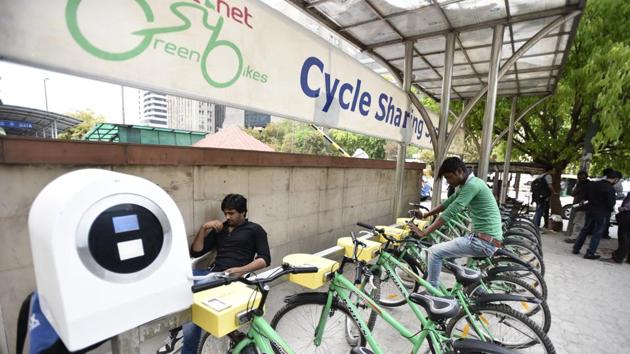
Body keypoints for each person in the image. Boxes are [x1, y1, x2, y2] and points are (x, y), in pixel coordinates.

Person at [158, 194, 271, 354]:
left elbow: (265, 259)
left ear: (243, 212)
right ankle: (177, 331)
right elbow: (196, 252)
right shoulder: (221, 229)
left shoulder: (255, 230)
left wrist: (240, 270)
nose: (227, 217)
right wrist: (204, 228)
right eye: (225, 213)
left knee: (193, 304)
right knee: (174, 280)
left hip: (231, 279)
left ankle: (186, 345)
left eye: (231, 213)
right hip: (211, 274)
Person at [408, 157, 502, 288]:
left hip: (482, 243)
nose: (448, 182)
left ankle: (432, 293)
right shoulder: (470, 184)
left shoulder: (472, 186)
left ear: (459, 171)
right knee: (450, 256)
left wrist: (425, 232)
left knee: (434, 252)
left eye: (449, 177)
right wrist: (425, 215)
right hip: (485, 240)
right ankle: (475, 290)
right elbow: (448, 203)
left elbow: (452, 210)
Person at [572, 170, 621, 260]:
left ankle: (576, 248)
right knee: (597, 232)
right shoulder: (609, 188)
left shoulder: (594, 184)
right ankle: (590, 252)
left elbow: (586, 196)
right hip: (602, 213)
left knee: (585, 229)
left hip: (590, 210)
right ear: (616, 179)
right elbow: (611, 203)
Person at [604, 192, 630, 263]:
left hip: (627, 218)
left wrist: (622, 208)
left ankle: (618, 257)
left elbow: (627, 206)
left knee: (624, 238)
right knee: (626, 238)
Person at [565, 171, 590, 243]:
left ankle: (575, 237)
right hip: (583, 205)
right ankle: (578, 237)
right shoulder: (588, 184)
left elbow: (573, 193)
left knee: (578, 223)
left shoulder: (582, 184)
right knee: (580, 222)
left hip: (582, 206)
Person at [532, 166, 557, 230]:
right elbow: (550, 186)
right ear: (550, 170)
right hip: (543, 196)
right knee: (540, 211)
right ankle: (536, 226)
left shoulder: (541, 176)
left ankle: (534, 224)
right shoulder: (548, 176)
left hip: (537, 196)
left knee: (538, 210)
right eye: (553, 170)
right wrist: (554, 192)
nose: (554, 171)